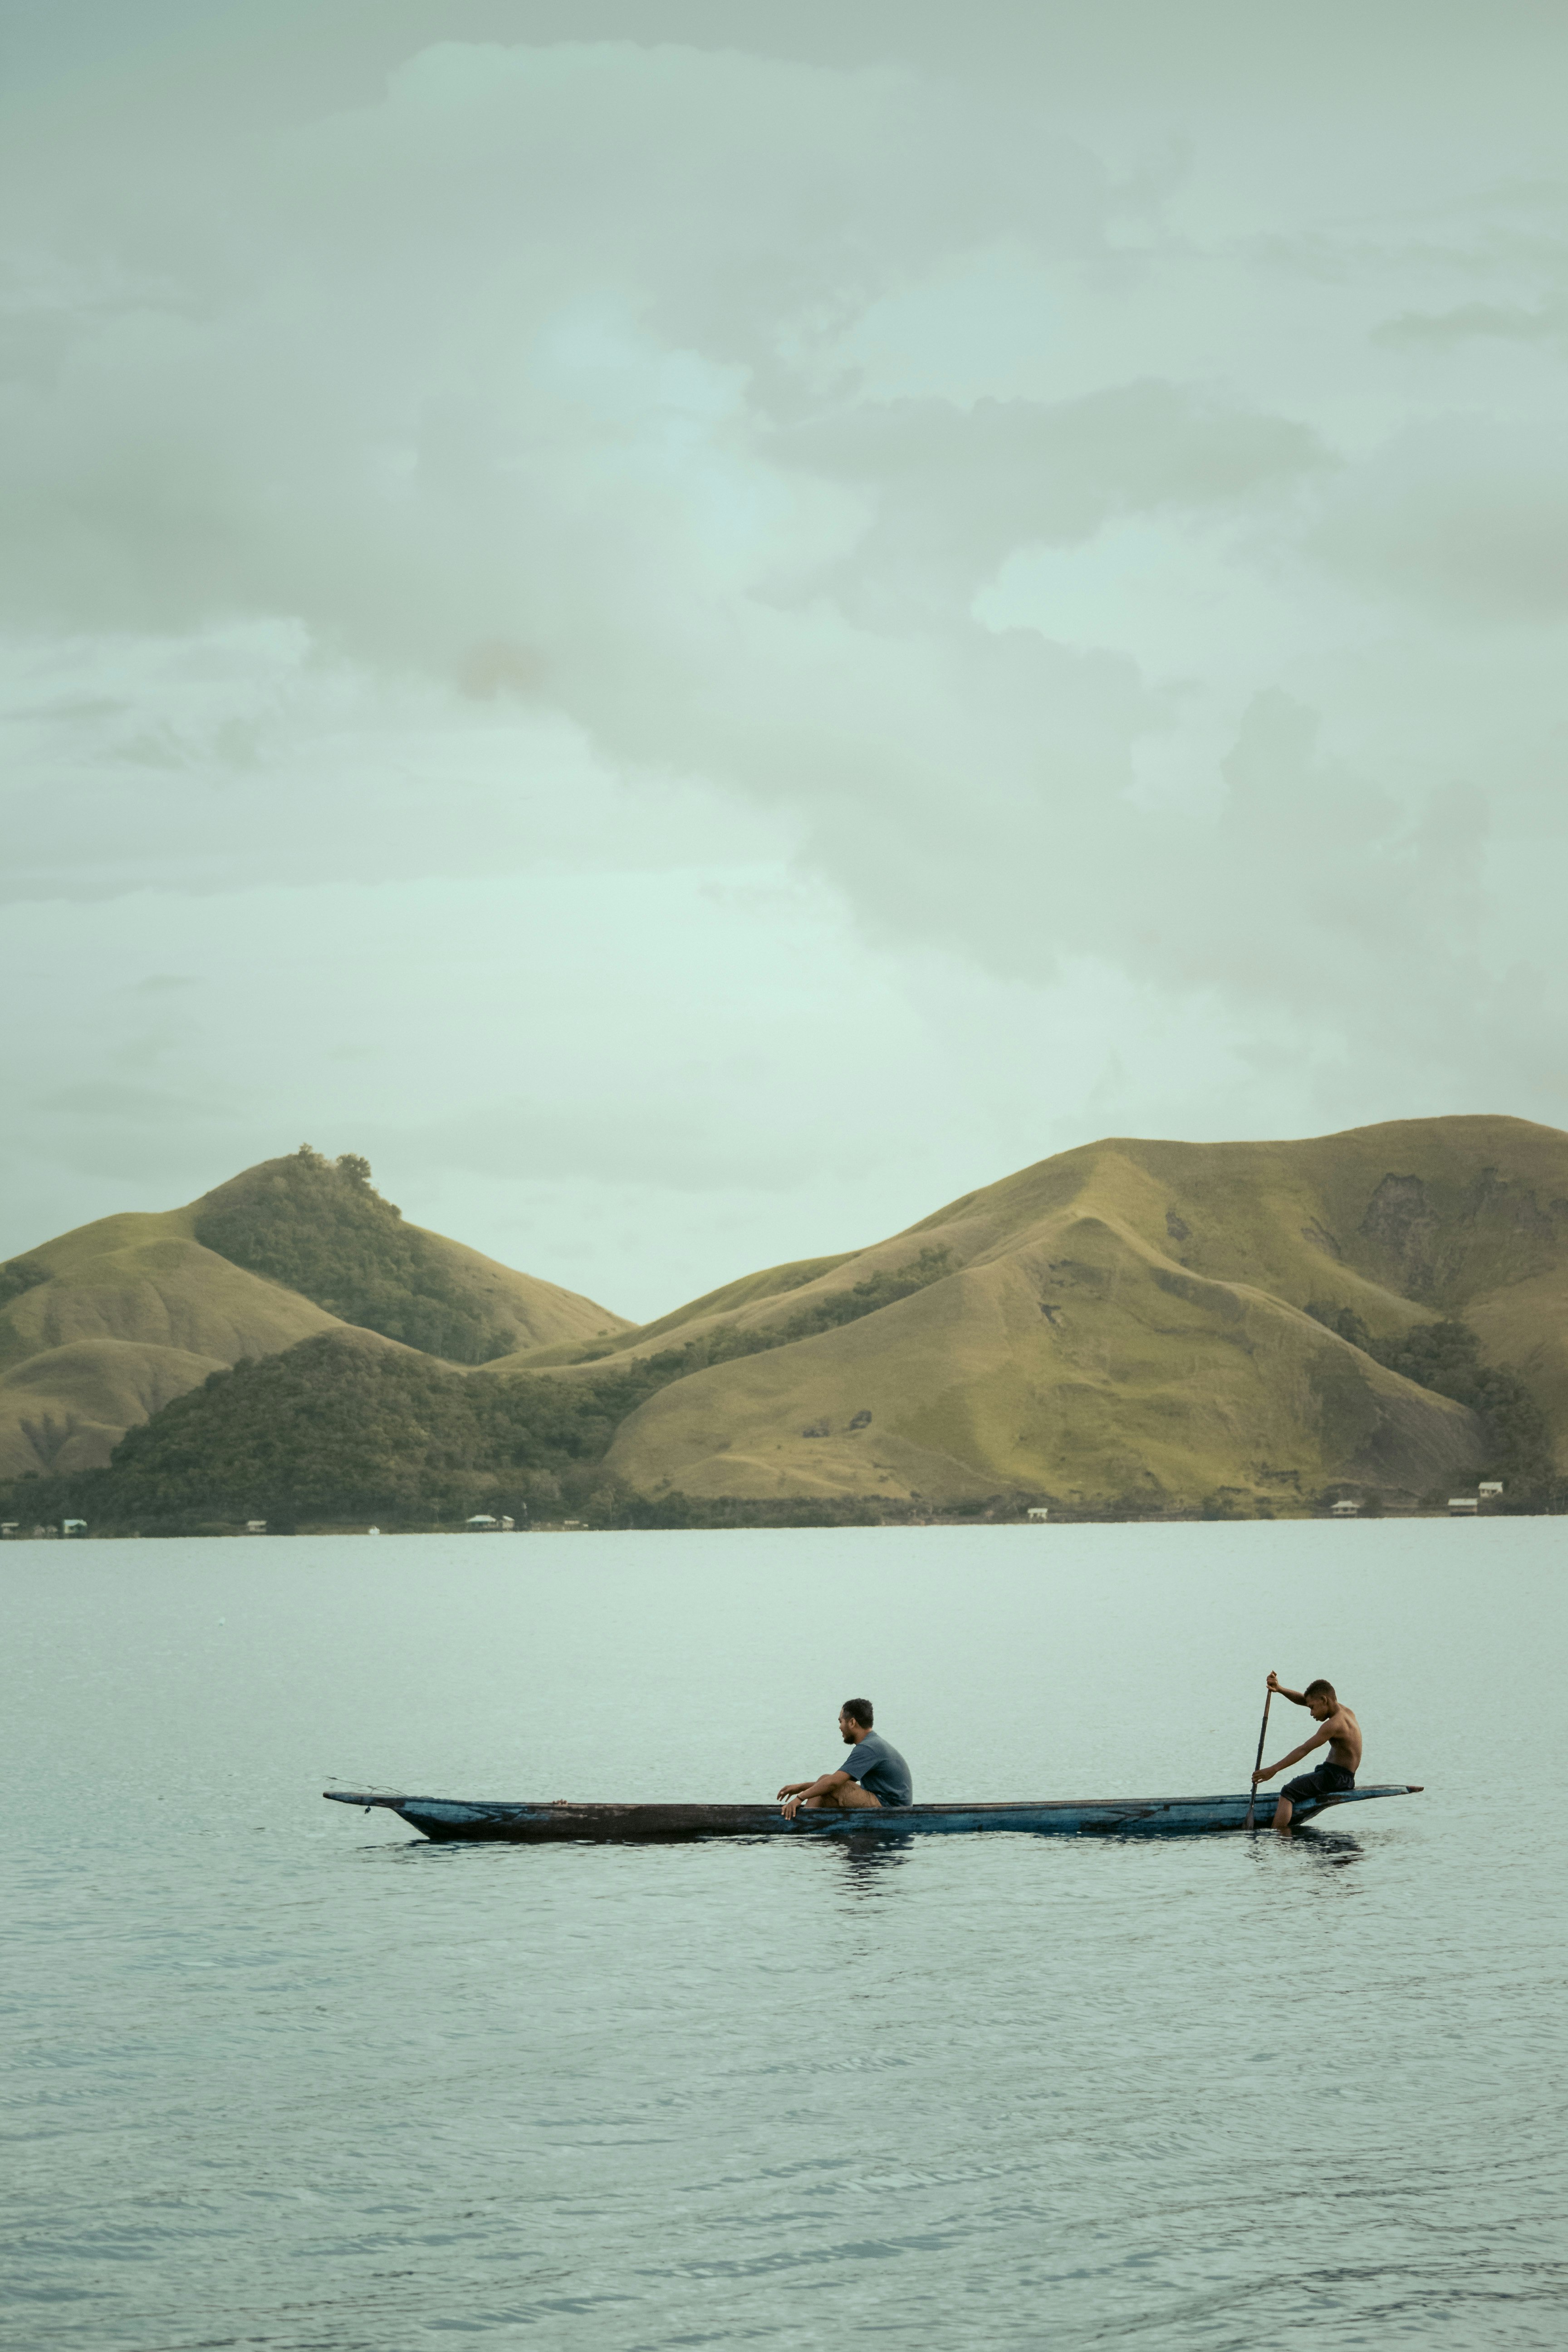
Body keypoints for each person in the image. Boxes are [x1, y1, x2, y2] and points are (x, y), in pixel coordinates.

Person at [1252, 1672, 1362, 1831]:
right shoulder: (1345, 1712)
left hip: (1336, 1778)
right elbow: (1304, 1700)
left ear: (1324, 1700)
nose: (1311, 1713)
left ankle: (1280, 1838)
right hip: (1338, 1775)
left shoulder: (1333, 1725)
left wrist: (1273, 1770)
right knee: (1300, 1785)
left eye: (1312, 1708)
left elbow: (1304, 1749)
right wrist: (1280, 1689)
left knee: (1288, 1791)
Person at [778, 1699, 912, 1818]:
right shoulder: (873, 1743)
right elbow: (836, 1783)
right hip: (886, 1802)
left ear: (852, 1723)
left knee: (826, 1780)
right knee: (824, 1797)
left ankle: (805, 1823)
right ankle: (811, 1824)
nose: (840, 1727)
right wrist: (800, 1787)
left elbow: (833, 1783)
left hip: (890, 1807)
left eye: (841, 1722)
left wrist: (799, 1798)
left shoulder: (868, 1748)